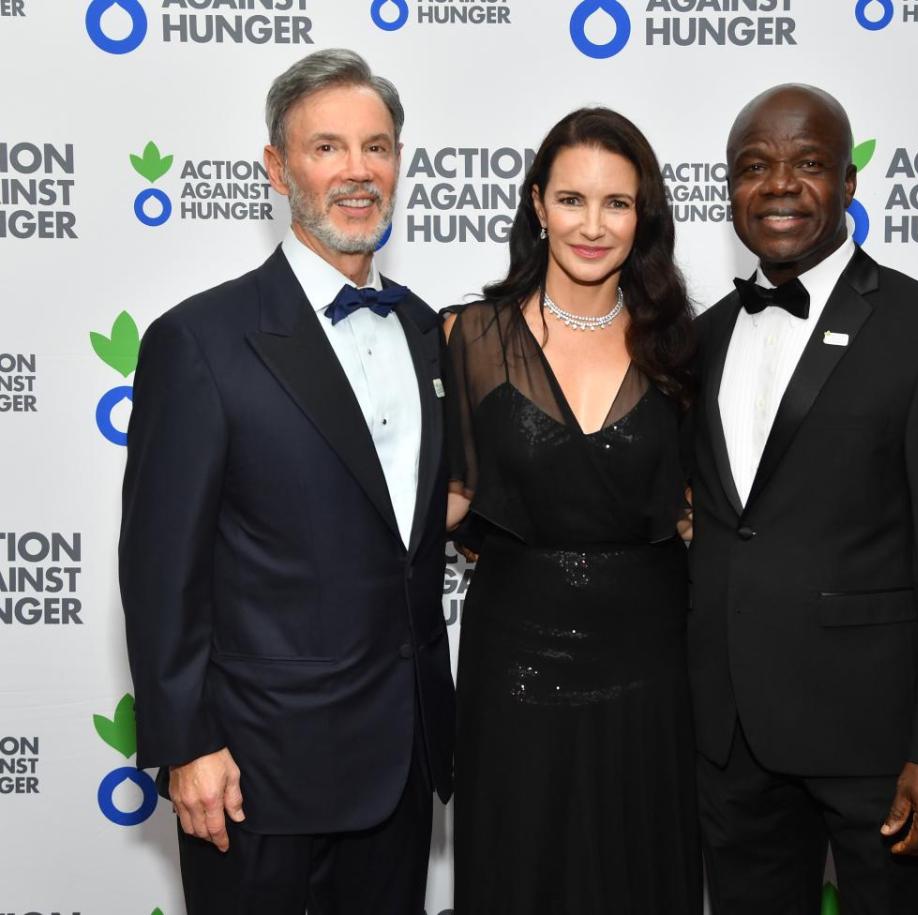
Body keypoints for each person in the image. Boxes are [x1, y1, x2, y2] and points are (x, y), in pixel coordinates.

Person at [118, 49, 453, 914]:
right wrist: (187, 745)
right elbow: (161, 573)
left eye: (377, 148)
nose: (357, 172)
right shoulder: (199, 341)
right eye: (327, 148)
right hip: (258, 771)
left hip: (404, 755)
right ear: (277, 167)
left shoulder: (425, 330)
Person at [687, 84, 918, 915]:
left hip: (880, 747)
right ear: (729, 191)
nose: (780, 185)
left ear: (851, 183)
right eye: (755, 167)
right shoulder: (700, 339)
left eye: (808, 164)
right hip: (732, 743)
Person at [444, 107, 701, 914]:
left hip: (652, 665)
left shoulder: (686, 347)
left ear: (643, 215)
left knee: (641, 871)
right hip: (512, 663)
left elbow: (713, 507)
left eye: (616, 204)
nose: (593, 225)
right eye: (571, 200)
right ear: (535, 203)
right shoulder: (466, 336)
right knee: (520, 870)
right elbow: (438, 504)